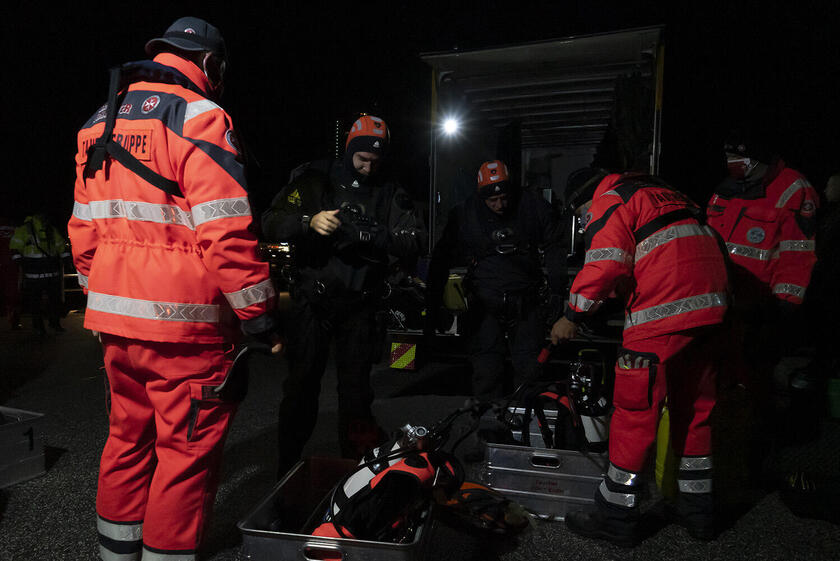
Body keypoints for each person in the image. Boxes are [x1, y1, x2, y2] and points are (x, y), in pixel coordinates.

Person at [68, 17, 280, 561]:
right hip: (186, 329)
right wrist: (258, 312)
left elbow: (83, 229)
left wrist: (101, 299)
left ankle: (116, 556)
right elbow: (225, 225)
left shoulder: (99, 121)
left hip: (116, 322)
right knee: (184, 457)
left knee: (126, 442)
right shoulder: (204, 117)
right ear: (209, 64)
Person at [551, 172, 729, 546]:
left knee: (634, 416)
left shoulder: (610, 199)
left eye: (582, 217)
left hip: (661, 316)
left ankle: (616, 516)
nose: (586, 223)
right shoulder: (665, 193)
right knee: (696, 413)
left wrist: (572, 315)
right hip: (711, 311)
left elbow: (606, 263)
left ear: (584, 202)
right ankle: (698, 513)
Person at [261, 114, 426, 475]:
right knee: (302, 388)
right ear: (349, 150)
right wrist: (309, 223)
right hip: (312, 304)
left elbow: (414, 240)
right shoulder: (315, 179)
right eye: (362, 159)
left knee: (356, 394)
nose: (368, 168)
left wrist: (371, 236)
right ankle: (286, 467)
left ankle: (355, 471)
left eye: (375, 162)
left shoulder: (390, 191)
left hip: (360, 306)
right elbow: (270, 220)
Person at [706, 133, 819, 437]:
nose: (733, 164)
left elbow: (798, 255)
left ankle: (755, 462)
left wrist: (782, 309)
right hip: (722, 306)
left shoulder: (793, 188)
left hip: (760, 308)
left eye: (739, 158)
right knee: (720, 386)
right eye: (728, 157)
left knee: (754, 388)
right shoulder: (725, 189)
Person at [426, 160, 567, 399]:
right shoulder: (466, 214)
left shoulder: (533, 206)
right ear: (482, 197)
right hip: (485, 304)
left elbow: (555, 247)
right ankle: (488, 425)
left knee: (529, 371)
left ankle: (525, 426)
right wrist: (433, 303)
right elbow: (441, 257)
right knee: (486, 371)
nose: (500, 205)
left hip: (526, 302)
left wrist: (557, 292)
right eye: (493, 200)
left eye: (504, 198)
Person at [9, 213, 70, 334]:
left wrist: (21, 263)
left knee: (42, 301)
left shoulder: (45, 229)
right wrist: (66, 260)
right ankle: (46, 325)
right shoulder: (36, 229)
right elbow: (15, 248)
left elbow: (61, 246)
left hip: (41, 272)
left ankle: (45, 326)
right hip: (40, 272)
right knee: (41, 301)